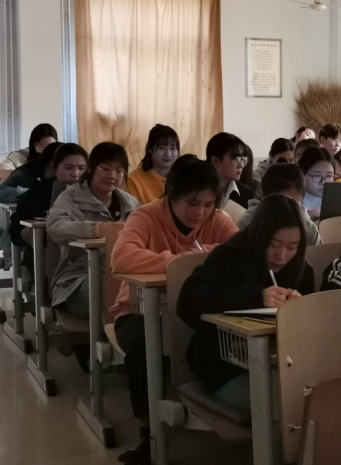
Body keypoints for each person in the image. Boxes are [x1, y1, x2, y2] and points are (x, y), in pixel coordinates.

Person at [110, 156, 238, 465]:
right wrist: (181, 261)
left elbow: (240, 252)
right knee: (144, 345)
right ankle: (148, 433)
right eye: (192, 203)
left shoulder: (218, 219)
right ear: (171, 195)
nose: (200, 213)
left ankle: (218, 411)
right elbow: (121, 257)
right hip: (140, 312)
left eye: (208, 204)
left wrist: (199, 255)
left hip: (193, 311)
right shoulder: (145, 216)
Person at [177, 195, 314, 413]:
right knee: (286, 409)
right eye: (274, 244)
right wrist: (255, 297)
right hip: (223, 367)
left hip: (280, 366)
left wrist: (300, 307)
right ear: (259, 236)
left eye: (292, 246)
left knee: (317, 402)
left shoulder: (301, 269)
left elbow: (311, 331)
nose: (282, 255)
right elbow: (187, 303)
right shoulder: (230, 255)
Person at [47, 142, 141, 318]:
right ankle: (115, 333)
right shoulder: (70, 196)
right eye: (105, 169)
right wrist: (98, 228)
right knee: (112, 289)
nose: (112, 176)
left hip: (121, 274)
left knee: (145, 290)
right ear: (90, 168)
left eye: (119, 171)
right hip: (77, 281)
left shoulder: (130, 203)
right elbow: (55, 226)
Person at [9, 143, 88, 277]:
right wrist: (32, 233)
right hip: (44, 256)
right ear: (55, 168)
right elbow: (15, 232)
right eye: (68, 168)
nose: (75, 174)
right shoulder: (38, 193)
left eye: (82, 168)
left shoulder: (93, 191)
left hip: (85, 255)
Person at [237, 162, 322, 245]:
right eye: (279, 203)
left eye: (295, 202)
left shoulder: (310, 230)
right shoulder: (247, 223)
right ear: (262, 196)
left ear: (302, 198)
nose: (288, 209)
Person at [125, 124, 180, 203]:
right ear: (150, 148)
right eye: (162, 148)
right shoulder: (133, 180)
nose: (168, 154)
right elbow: (133, 210)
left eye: (173, 148)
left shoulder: (184, 177)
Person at [206, 132, 254, 210]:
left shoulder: (245, 192)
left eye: (242, 159)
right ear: (215, 161)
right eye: (236, 159)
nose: (241, 165)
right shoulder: (197, 190)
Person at [297, 146, 335, 222]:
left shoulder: (337, 199)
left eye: (329, 176)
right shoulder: (293, 200)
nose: (323, 182)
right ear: (302, 175)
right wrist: (308, 216)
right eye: (317, 176)